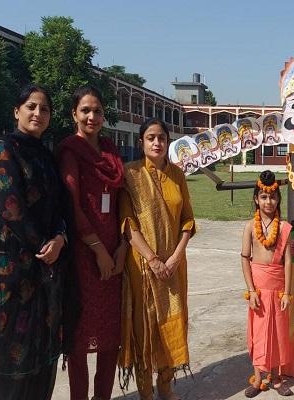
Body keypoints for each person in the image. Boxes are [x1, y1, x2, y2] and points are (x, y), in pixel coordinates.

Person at [0, 84, 72, 399]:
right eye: (31, 106)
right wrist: (46, 245)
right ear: (17, 111)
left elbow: (59, 204)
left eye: (44, 109)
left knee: (40, 354)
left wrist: (60, 238)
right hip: (9, 274)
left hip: (44, 274)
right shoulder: (3, 149)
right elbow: (12, 209)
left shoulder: (45, 155)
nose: (38, 114)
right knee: (11, 353)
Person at [117, 118, 196, 400]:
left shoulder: (178, 175)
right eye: (151, 138)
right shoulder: (131, 175)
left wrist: (175, 257)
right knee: (145, 327)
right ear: (141, 142)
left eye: (161, 138)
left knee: (174, 322)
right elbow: (127, 224)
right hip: (143, 268)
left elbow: (188, 220)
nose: (157, 143)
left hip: (175, 266)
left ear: (168, 142)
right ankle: (145, 392)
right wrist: (152, 259)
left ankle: (166, 385)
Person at [58, 85, 126, 400]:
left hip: (114, 255)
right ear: (74, 114)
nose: (92, 116)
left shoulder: (111, 153)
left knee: (110, 337)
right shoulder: (70, 151)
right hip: (84, 257)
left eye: (97, 110)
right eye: (85, 110)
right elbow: (73, 206)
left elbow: (124, 201)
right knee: (80, 340)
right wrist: (98, 250)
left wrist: (121, 248)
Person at [241, 170, 293, 398]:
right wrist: (251, 290)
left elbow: (289, 261)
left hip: (278, 287)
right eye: (263, 197)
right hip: (259, 289)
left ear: (278, 199)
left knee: (279, 332)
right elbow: (245, 258)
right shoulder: (250, 227)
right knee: (259, 333)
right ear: (256, 199)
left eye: (272, 197)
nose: (268, 202)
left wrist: (287, 293)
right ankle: (258, 378)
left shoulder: (284, 228)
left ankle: (278, 377)